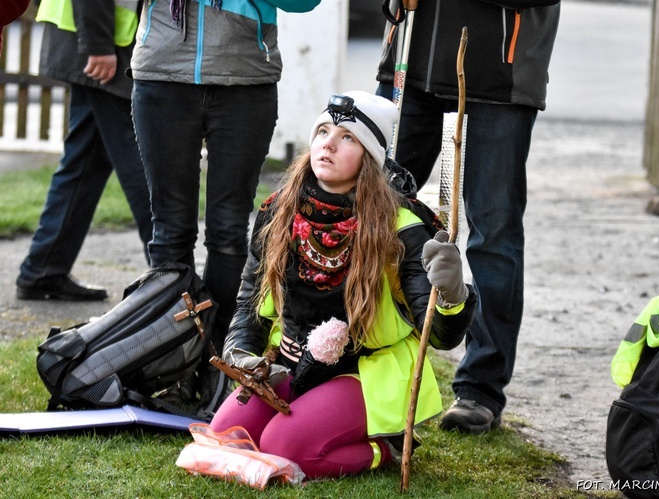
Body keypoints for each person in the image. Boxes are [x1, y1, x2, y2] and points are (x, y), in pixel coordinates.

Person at [209, 91, 477, 479]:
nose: (328, 144)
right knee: (224, 439)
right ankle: (310, 419)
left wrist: (453, 294)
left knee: (283, 448)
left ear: (370, 156)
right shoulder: (278, 210)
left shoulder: (404, 228)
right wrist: (242, 355)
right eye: (322, 131)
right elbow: (250, 301)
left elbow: (438, 336)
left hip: (366, 371)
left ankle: (381, 449)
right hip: (288, 364)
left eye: (347, 137)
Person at [376, 0, 561, 433]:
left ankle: (480, 388)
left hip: (500, 74)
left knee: (491, 234)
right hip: (411, 61)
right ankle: (346, 357)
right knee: (372, 210)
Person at [129, 0, 321, 414]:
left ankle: (219, 369)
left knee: (229, 229)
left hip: (245, 80)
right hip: (163, 73)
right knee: (170, 229)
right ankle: (169, 367)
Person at [16, 0, 153, 301]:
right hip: (102, 41)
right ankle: (169, 274)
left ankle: (43, 270)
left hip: (96, 35)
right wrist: (98, 45)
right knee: (144, 163)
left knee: (85, 160)